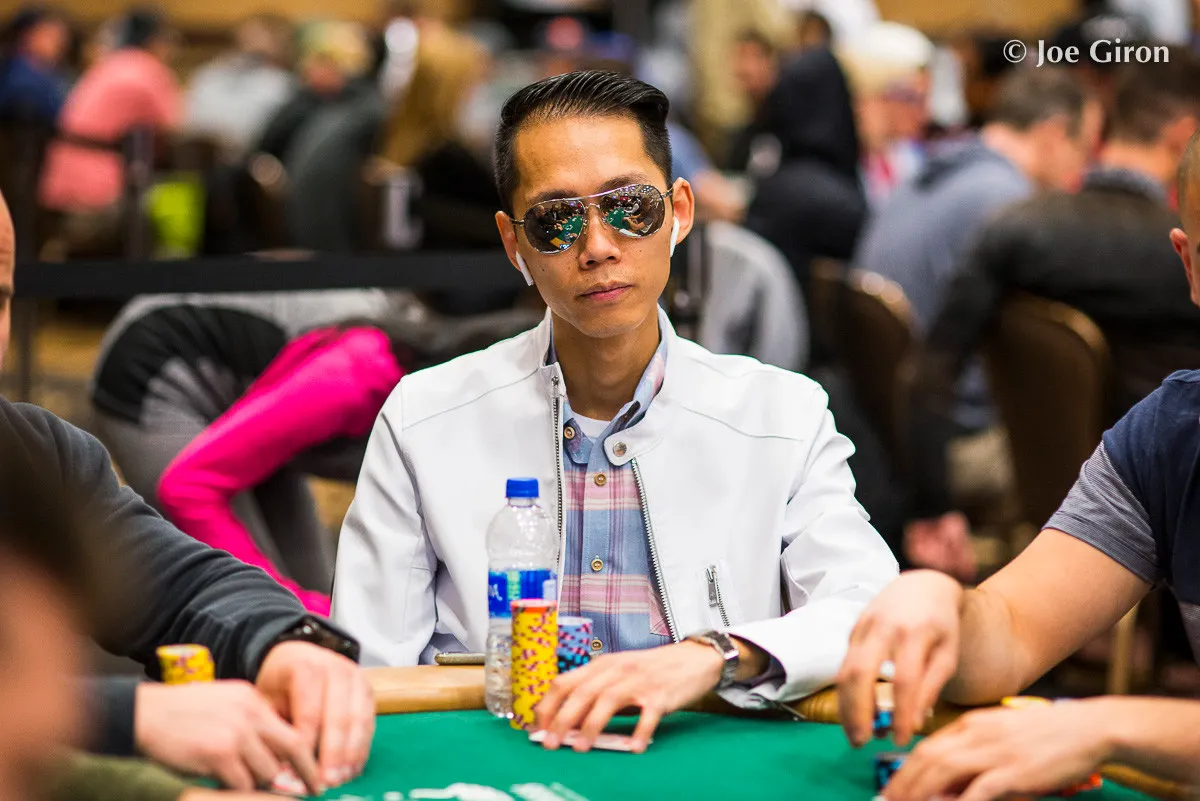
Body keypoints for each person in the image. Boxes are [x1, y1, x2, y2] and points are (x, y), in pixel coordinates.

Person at [332, 70, 898, 753]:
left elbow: (870, 608)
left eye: (630, 207)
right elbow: (372, 669)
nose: (598, 245)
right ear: (514, 245)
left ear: (679, 212)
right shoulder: (424, 420)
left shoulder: (784, 417)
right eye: (557, 220)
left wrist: (715, 656)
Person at [834, 131, 1200, 801]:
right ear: (1189, 266)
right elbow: (1011, 630)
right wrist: (945, 603)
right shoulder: (1168, 433)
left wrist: (1102, 725)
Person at [0, 191, 373, 795]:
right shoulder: (366, 375)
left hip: (227, 395)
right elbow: (193, 481)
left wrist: (287, 639)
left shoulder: (34, 449)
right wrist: (132, 716)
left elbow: (182, 581)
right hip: (153, 387)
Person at [906, 53, 1200, 539]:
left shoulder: (1015, 225)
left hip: (1038, 493)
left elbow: (932, 367)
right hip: (1157, 512)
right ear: (1183, 134)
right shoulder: (1182, 259)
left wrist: (932, 507)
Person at [854, 66, 1103, 576]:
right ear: (1054, 134)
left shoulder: (928, 171)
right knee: (1125, 462)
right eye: (1084, 148)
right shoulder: (1007, 202)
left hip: (884, 427)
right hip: (954, 445)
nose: (1083, 168)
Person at [39, 8, 181, 214]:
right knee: (179, 191)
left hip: (57, 177)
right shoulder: (148, 68)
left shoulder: (109, 64)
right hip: (97, 187)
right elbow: (175, 127)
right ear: (155, 41)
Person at [837, 22, 934, 207]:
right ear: (869, 98)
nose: (924, 115)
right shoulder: (839, 168)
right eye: (911, 99)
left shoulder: (911, 159)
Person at [183, 14, 294, 158]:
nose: (250, 44)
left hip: (254, 157)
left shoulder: (283, 85)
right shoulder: (210, 75)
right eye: (247, 39)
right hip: (201, 151)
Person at [0, 6, 71, 125]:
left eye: (62, 36)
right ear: (26, 36)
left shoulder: (48, 71)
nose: (61, 43)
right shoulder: (24, 80)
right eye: (50, 36)